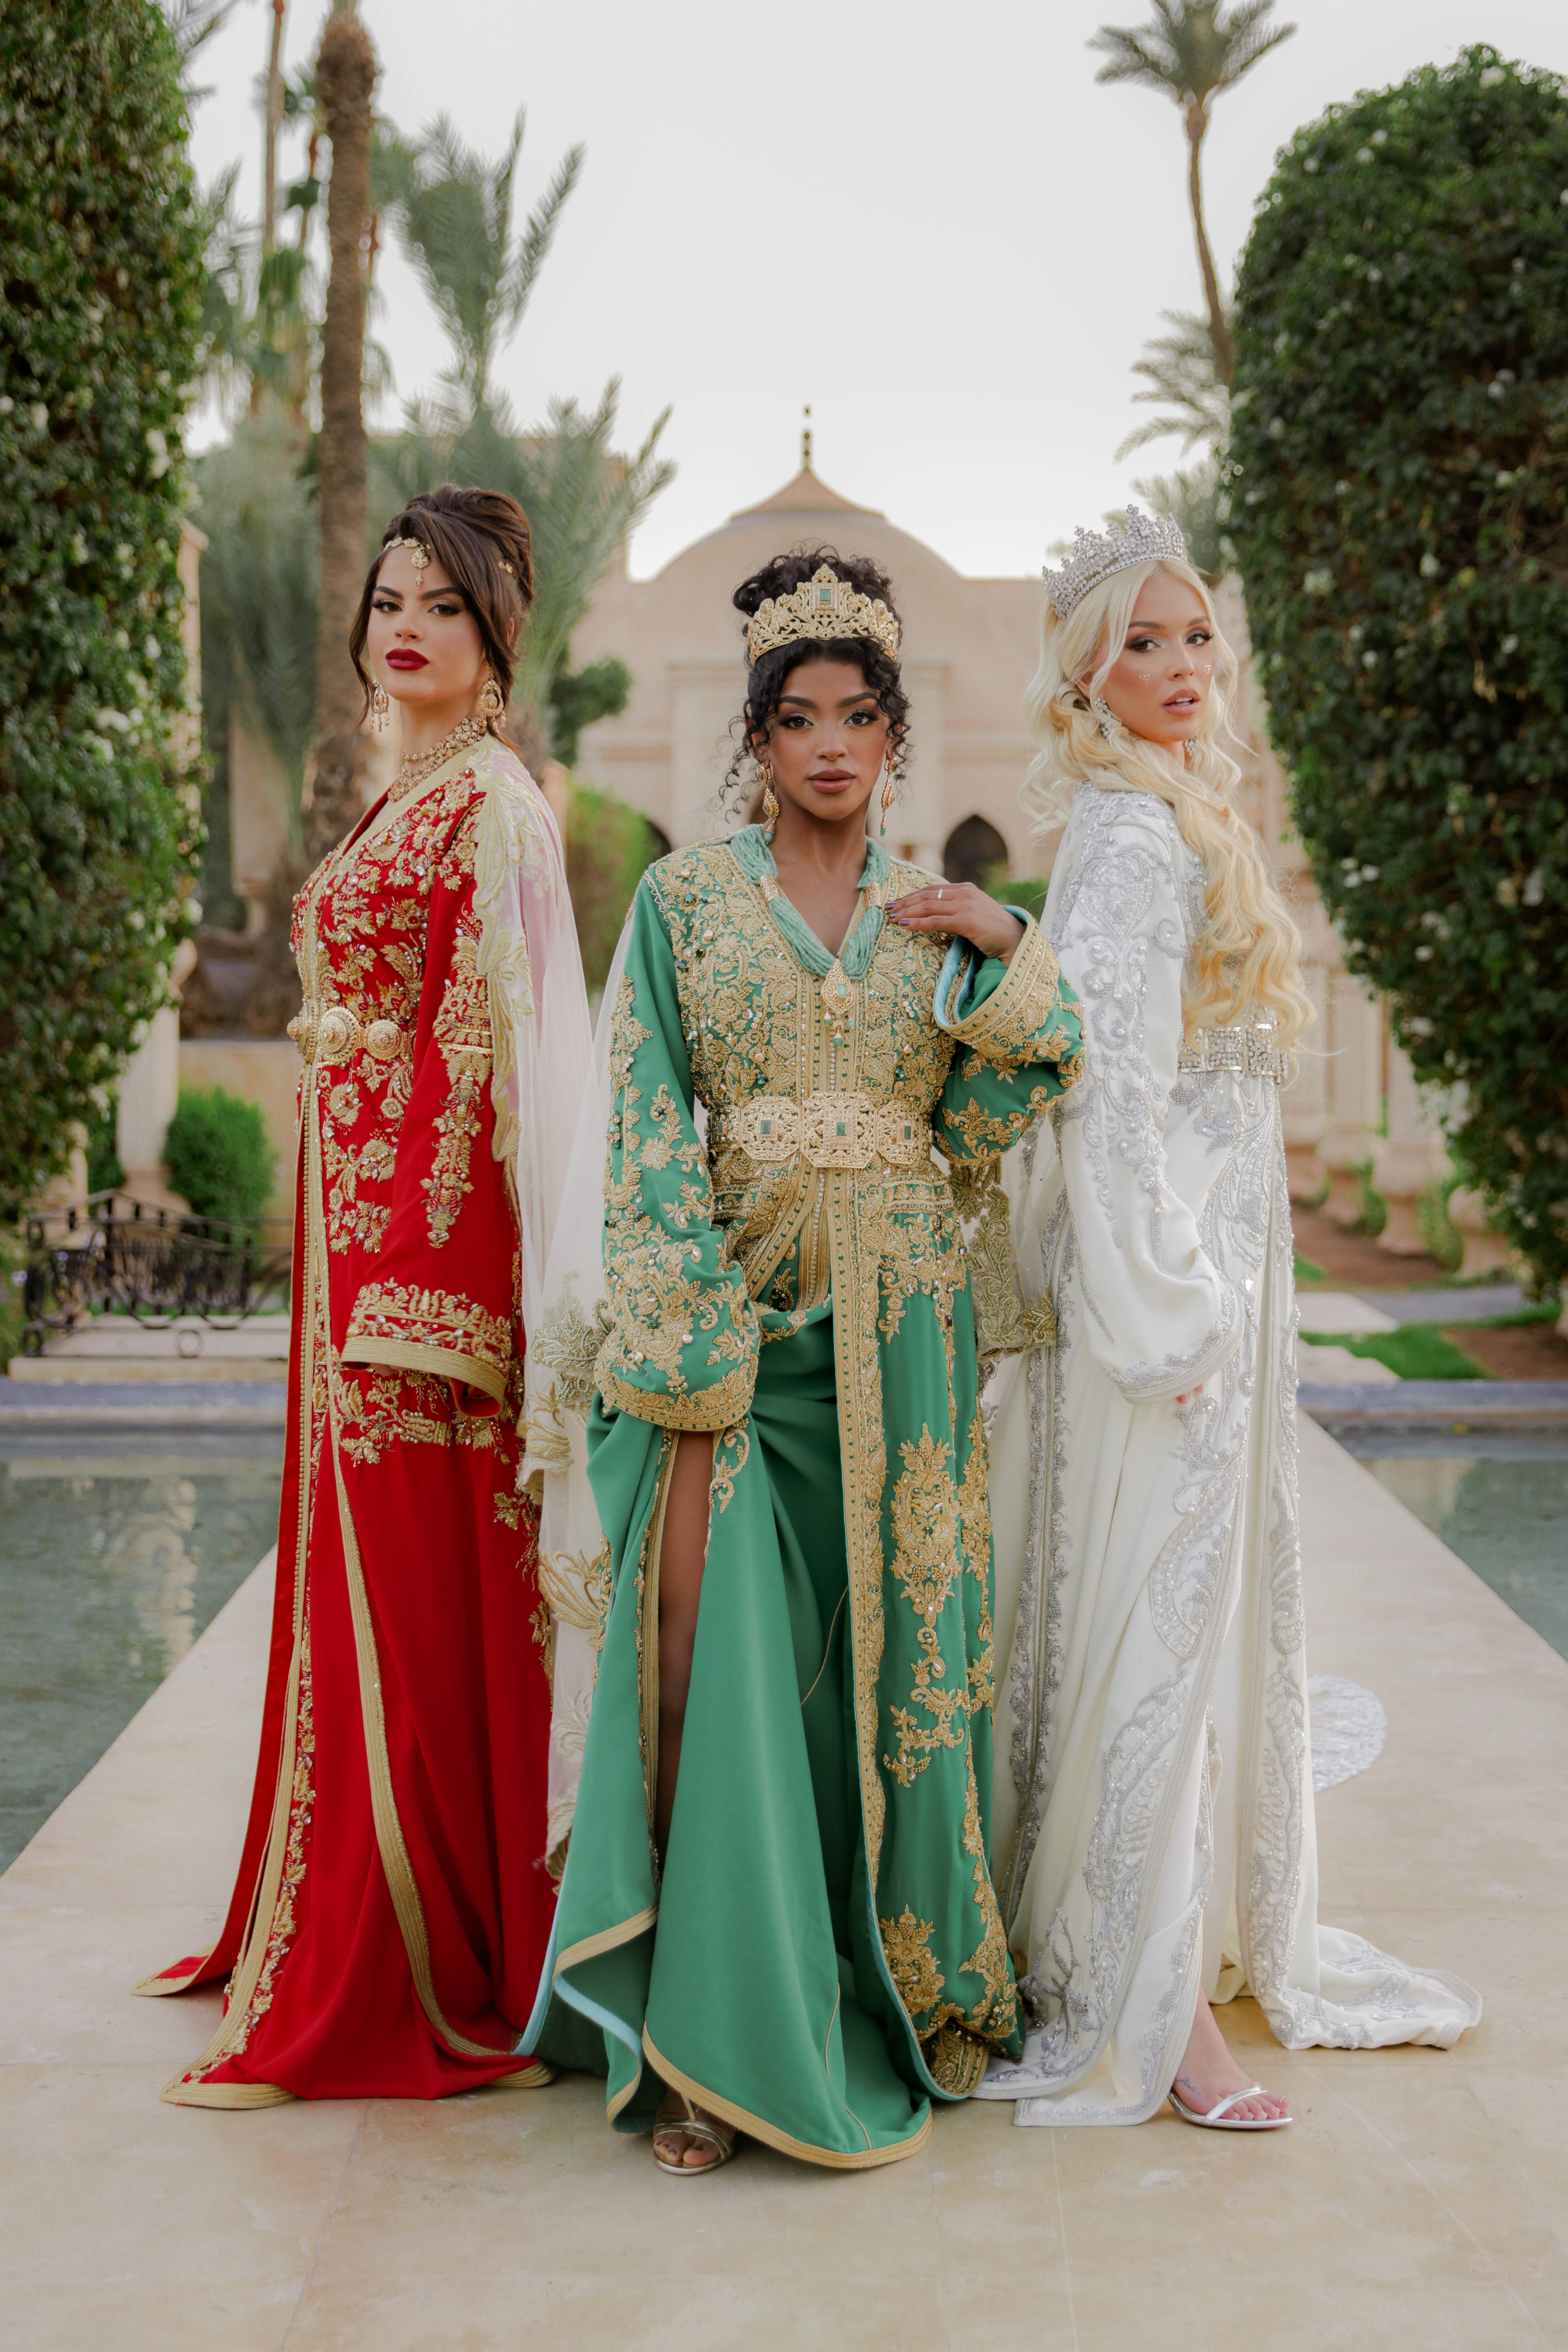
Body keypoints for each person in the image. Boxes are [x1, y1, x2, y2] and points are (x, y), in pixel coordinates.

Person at [519, 548, 1085, 2171]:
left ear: (893, 737)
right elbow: (641, 1125)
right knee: (693, 1652)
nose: (827, 743)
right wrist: (689, 1332)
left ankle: (879, 1990)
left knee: (898, 1685)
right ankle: (701, 2034)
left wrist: (1002, 945)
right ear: (752, 739)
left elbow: (998, 1115)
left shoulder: (932, 923)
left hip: (903, 1347)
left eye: (857, 715)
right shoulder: (684, 905)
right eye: (795, 717)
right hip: (732, 1342)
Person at [974, 509, 1482, 2130]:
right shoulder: (1128, 839)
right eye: (1141, 643)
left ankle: (1168, 1952)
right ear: (1085, 670)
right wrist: (1168, 1319)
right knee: (1161, 1638)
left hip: (1202, 1279)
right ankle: (1153, 1999)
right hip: (1163, 1306)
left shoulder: (1165, 810)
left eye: (1195, 638)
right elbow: (1108, 1102)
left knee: (1179, 1629)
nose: (1180, 668)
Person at [138, 486, 592, 2106]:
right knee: (349, 1609)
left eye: (443, 606)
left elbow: (515, 1071)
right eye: (390, 598)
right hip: (350, 1268)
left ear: (498, 641)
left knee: (412, 1618)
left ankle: (417, 1976)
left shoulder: (500, 810)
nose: (404, 623)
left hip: (422, 1292)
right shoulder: (406, 797)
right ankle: (304, 1930)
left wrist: (442, 1298)